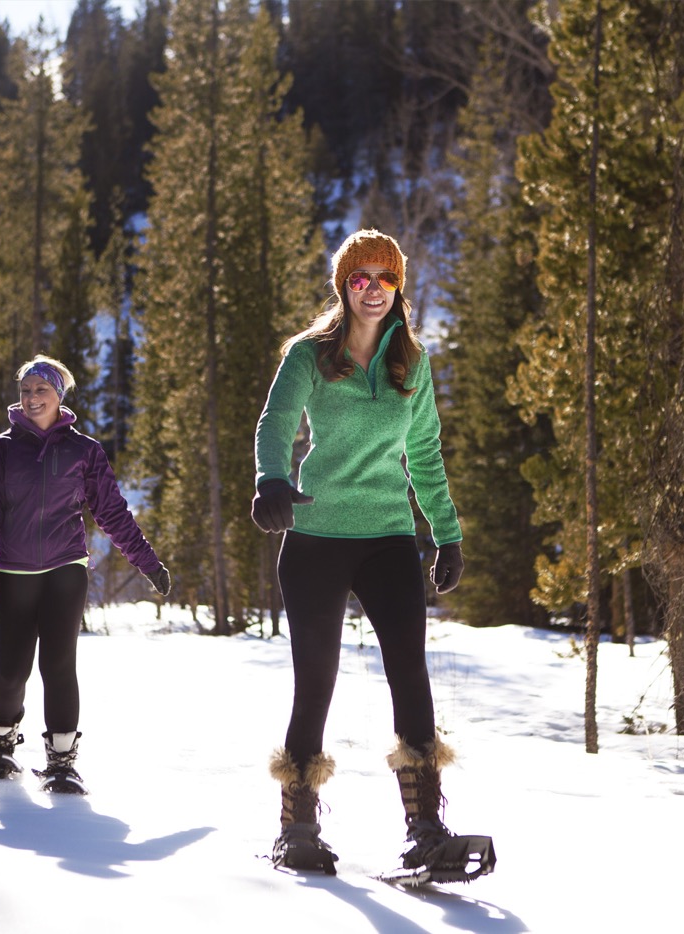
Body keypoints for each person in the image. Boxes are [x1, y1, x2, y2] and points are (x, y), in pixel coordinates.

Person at [251, 229, 494, 881]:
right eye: (358, 279)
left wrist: (447, 532)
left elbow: (426, 455)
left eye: (384, 279)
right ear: (342, 286)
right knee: (316, 681)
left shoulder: (411, 364)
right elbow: (275, 424)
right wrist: (271, 480)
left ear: (399, 288)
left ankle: (425, 829)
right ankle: (296, 828)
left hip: (388, 538)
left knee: (411, 677)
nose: (371, 290)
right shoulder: (309, 355)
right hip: (316, 540)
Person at [0, 354, 170, 791]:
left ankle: (61, 760)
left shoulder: (84, 451)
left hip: (65, 571)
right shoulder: (4, 448)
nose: (32, 398)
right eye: (26, 391)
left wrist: (148, 563)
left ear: (60, 395)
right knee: (10, 668)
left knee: (58, 664)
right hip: (15, 572)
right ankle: (0, 745)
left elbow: (113, 514)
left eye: (41, 390)